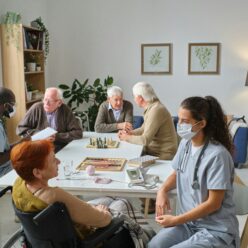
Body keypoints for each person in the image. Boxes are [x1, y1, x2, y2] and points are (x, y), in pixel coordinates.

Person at [11, 140, 153, 244]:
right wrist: (101, 212)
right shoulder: (54, 196)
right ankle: (149, 239)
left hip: (57, 231)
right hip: (87, 238)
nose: (59, 162)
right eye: (53, 160)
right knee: (122, 203)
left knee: (109, 198)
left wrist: (94, 209)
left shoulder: (20, 185)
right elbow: (104, 221)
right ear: (37, 172)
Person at [148, 96, 239, 248]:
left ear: (201, 123)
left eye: (185, 121)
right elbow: (178, 172)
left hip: (216, 229)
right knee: (154, 245)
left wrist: (176, 220)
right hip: (188, 224)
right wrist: (162, 190)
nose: (179, 124)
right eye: (179, 119)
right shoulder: (185, 144)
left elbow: (213, 204)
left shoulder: (217, 155)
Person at [119, 82, 177, 160]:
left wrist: (127, 137)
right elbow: (143, 129)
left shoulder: (156, 110)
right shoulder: (153, 107)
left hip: (161, 156)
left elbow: (145, 140)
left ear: (140, 98)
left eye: (134, 96)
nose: (134, 99)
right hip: (153, 152)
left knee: (127, 162)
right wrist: (129, 133)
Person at [17, 87, 82, 152]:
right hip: (39, 149)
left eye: (50, 100)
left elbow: (77, 133)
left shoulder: (65, 110)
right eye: (45, 99)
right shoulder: (36, 108)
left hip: (61, 149)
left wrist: (57, 137)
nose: (46, 103)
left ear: (59, 103)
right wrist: (40, 135)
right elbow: (20, 128)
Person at [0, 87, 30, 177]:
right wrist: (19, 145)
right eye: (12, 104)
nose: (13, 108)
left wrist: (20, 143)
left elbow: (4, 150)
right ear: (6, 106)